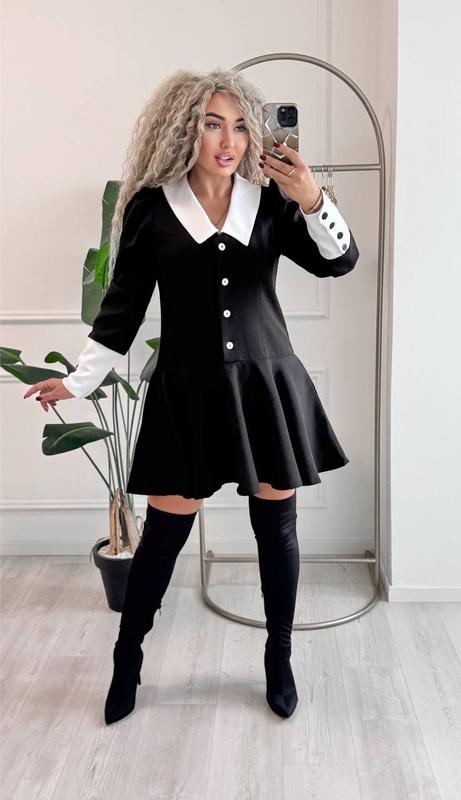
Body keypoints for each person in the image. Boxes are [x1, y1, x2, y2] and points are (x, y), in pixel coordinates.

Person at [23, 67, 359, 723]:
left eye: (240, 126)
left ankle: (279, 657)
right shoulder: (152, 208)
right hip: (186, 393)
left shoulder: (272, 202)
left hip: (266, 387)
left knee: (277, 532)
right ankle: (127, 659)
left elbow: (337, 262)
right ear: (185, 129)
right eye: (212, 124)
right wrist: (78, 380)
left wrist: (312, 197)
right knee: (162, 538)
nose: (228, 141)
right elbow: (121, 309)